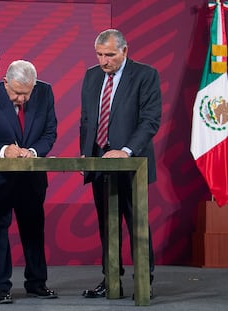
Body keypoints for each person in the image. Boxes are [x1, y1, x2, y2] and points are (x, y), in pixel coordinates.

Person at [79, 29, 161, 298]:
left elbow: (150, 120)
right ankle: (111, 278)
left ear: (125, 51)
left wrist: (126, 151)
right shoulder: (92, 76)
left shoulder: (145, 75)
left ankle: (144, 281)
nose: (104, 61)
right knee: (107, 223)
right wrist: (86, 155)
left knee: (136, 222)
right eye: (100, 55)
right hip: (100, 162)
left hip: (131, 163)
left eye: (110, 55)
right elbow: (87, 121)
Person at [0, 60, 58, 304]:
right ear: (5, 82)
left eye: (26, 93)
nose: (22, 99)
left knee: (34, 229)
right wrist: (4, 151)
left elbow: (50, 133)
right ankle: (0, 287)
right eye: (17, 93)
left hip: (32, 177)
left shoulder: (45, 92)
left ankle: (37, 283)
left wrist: (32, 152)